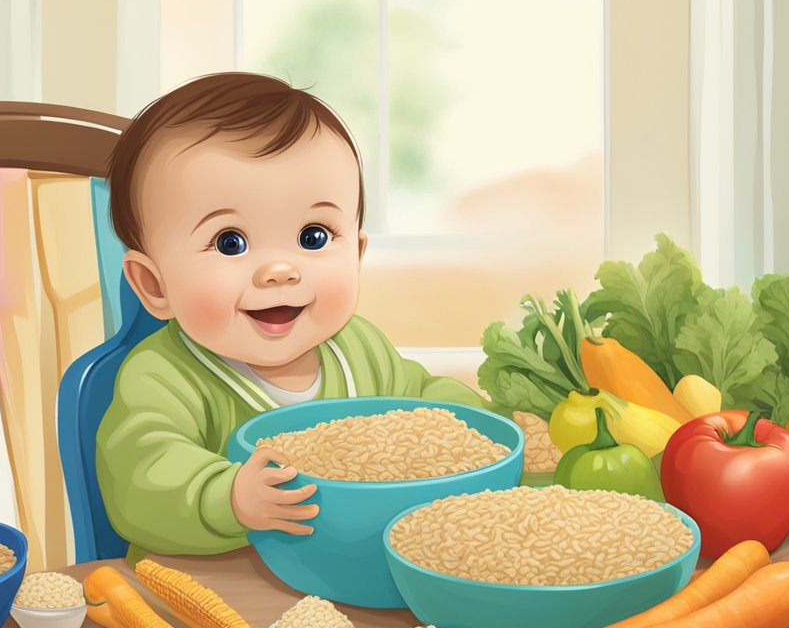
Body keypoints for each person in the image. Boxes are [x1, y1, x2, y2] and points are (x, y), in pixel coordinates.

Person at [96, 72, 494, 561]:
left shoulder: (358, 348)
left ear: (358, 253)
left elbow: (423, 401)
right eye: (230, 243)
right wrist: (229, 498)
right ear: (155, 286)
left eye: (314, 237)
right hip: (211, 592)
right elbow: (140, 474)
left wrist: (481, 422)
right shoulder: (162, 376)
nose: (280, 271)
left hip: (347, 576)